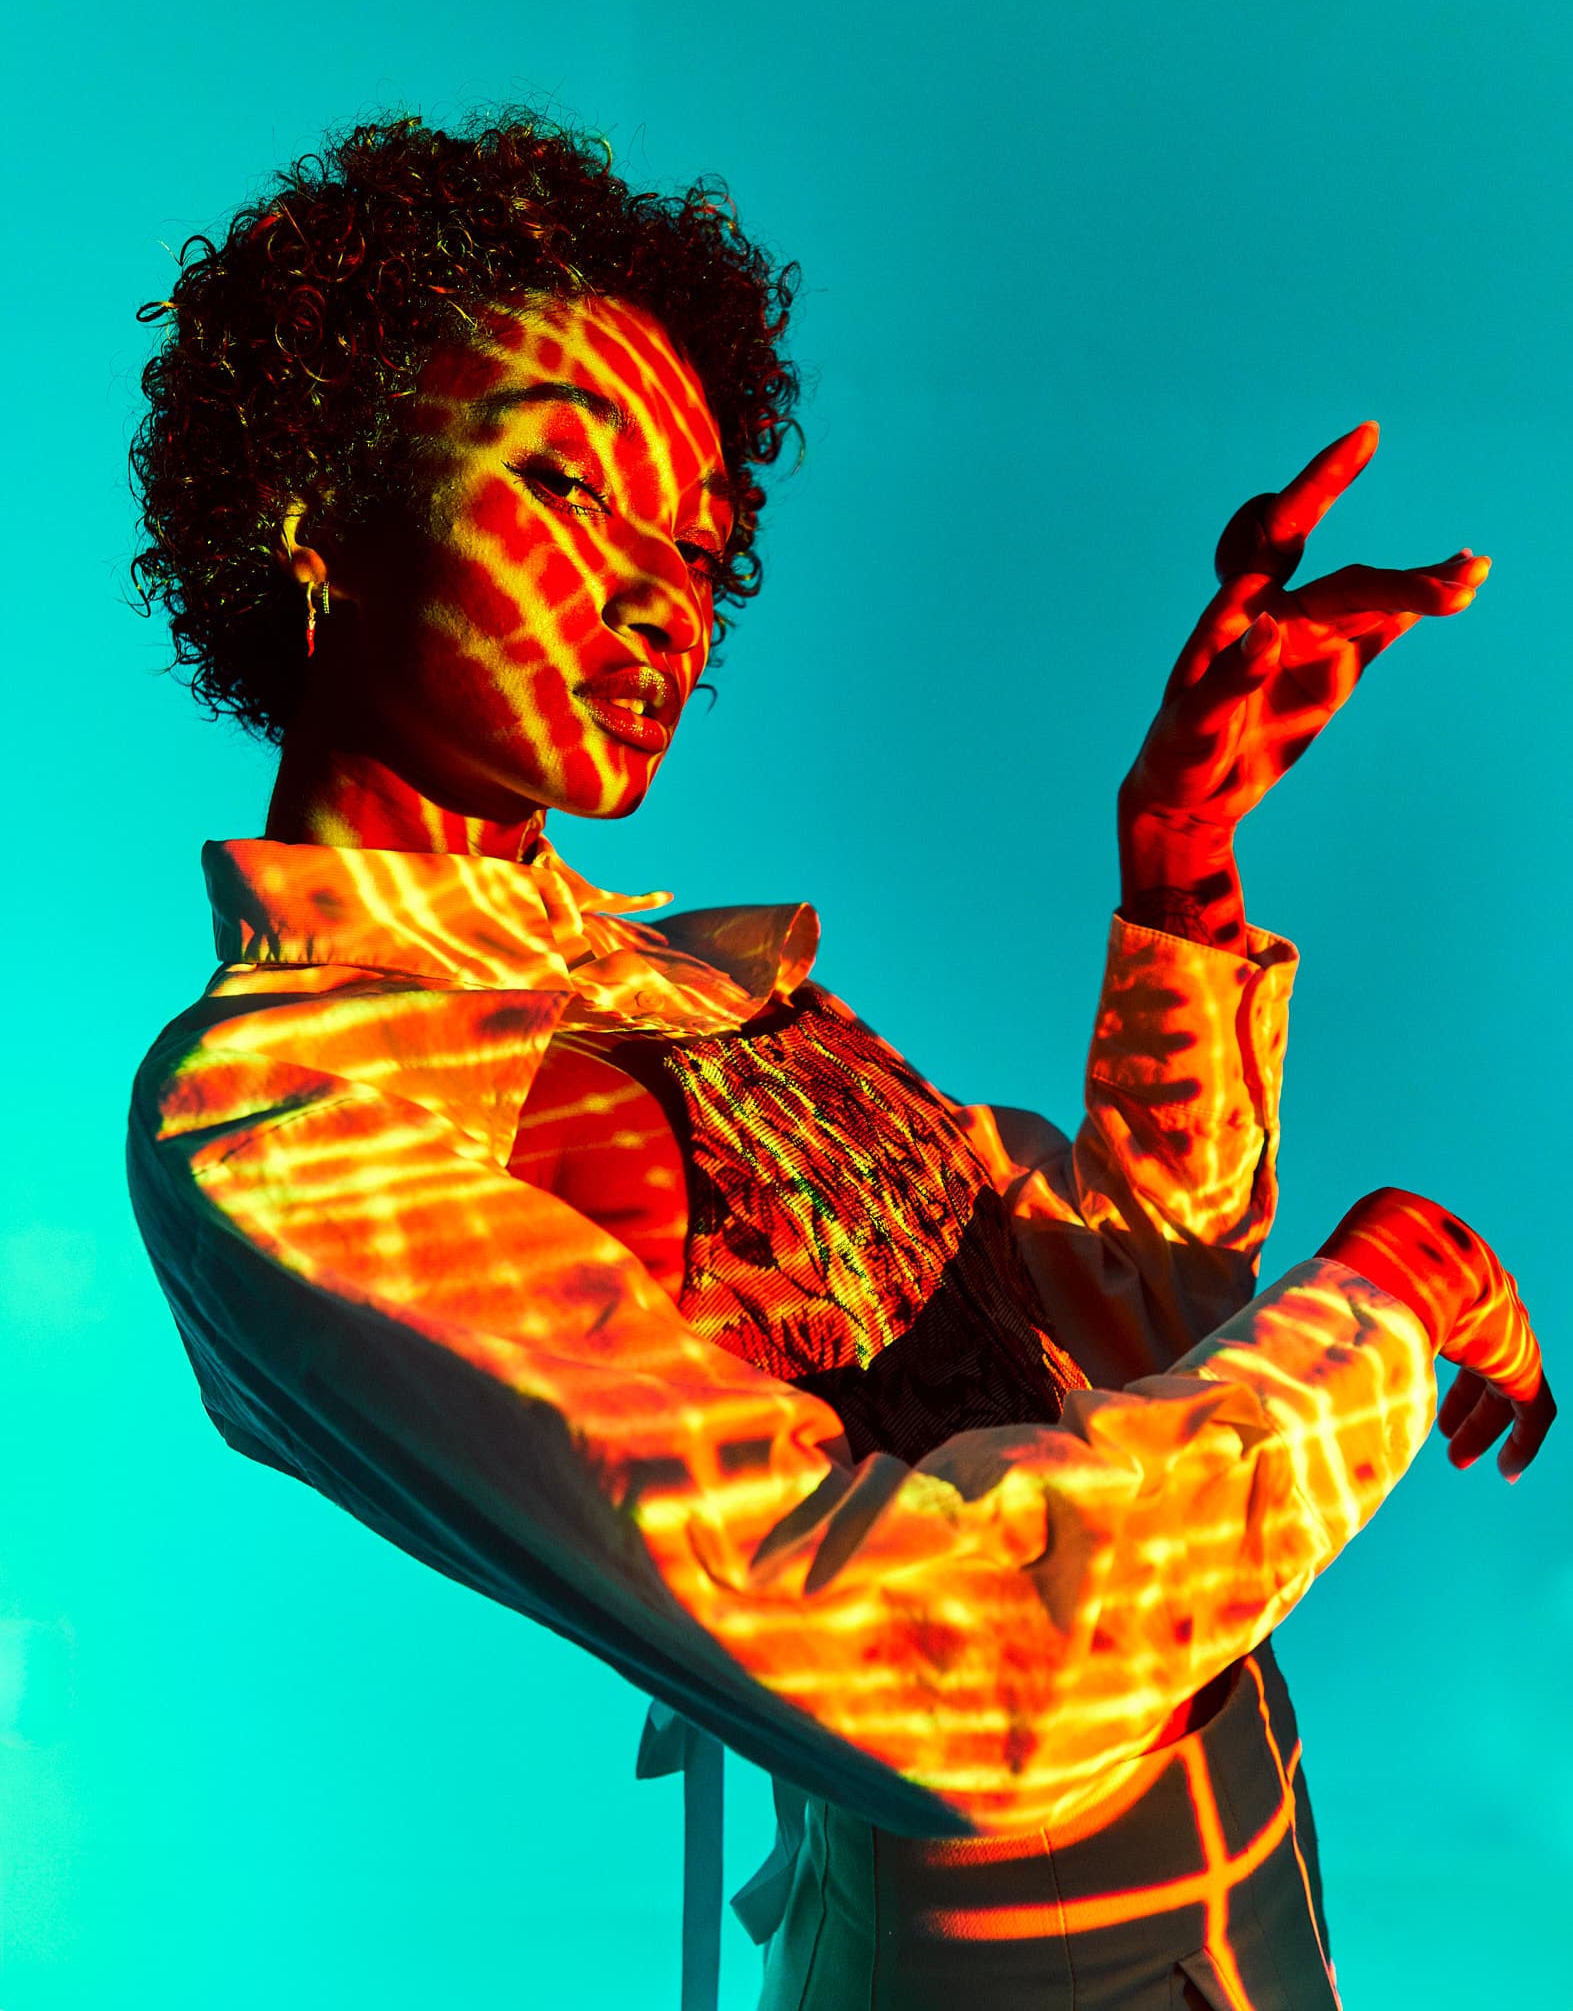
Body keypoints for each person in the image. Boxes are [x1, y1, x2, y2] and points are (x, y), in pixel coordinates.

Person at [124, 111, 1555, 2011]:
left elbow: (1140, 1306)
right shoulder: (290, 1101)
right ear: (316, 504)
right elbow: (954, 1676)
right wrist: (1373, 1312)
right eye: (565, 491)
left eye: (699, 549)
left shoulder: (698, 982)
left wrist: (1178, 875)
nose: (659, 602)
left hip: (1256, 1892)